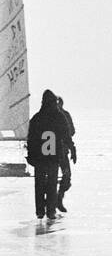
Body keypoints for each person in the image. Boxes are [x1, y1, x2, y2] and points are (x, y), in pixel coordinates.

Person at [26, 89, 71, 220]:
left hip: (40, 158)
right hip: (53, 157)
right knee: (52, 184)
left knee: (39, 185)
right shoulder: (59, 117)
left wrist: (30, 156)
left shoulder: (36, 118)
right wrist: (72, 149)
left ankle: (40, 211)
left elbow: (31, 139)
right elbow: (67, 135)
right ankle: (50, 211)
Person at [55, 95, 76, 212]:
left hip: (63, 152)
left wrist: (71, 147)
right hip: (51, 154)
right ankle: (51, 201)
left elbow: (72, 131)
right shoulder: (47, 116)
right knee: (49, 178)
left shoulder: (65, 115)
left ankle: (59, 199)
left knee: (66, 177)